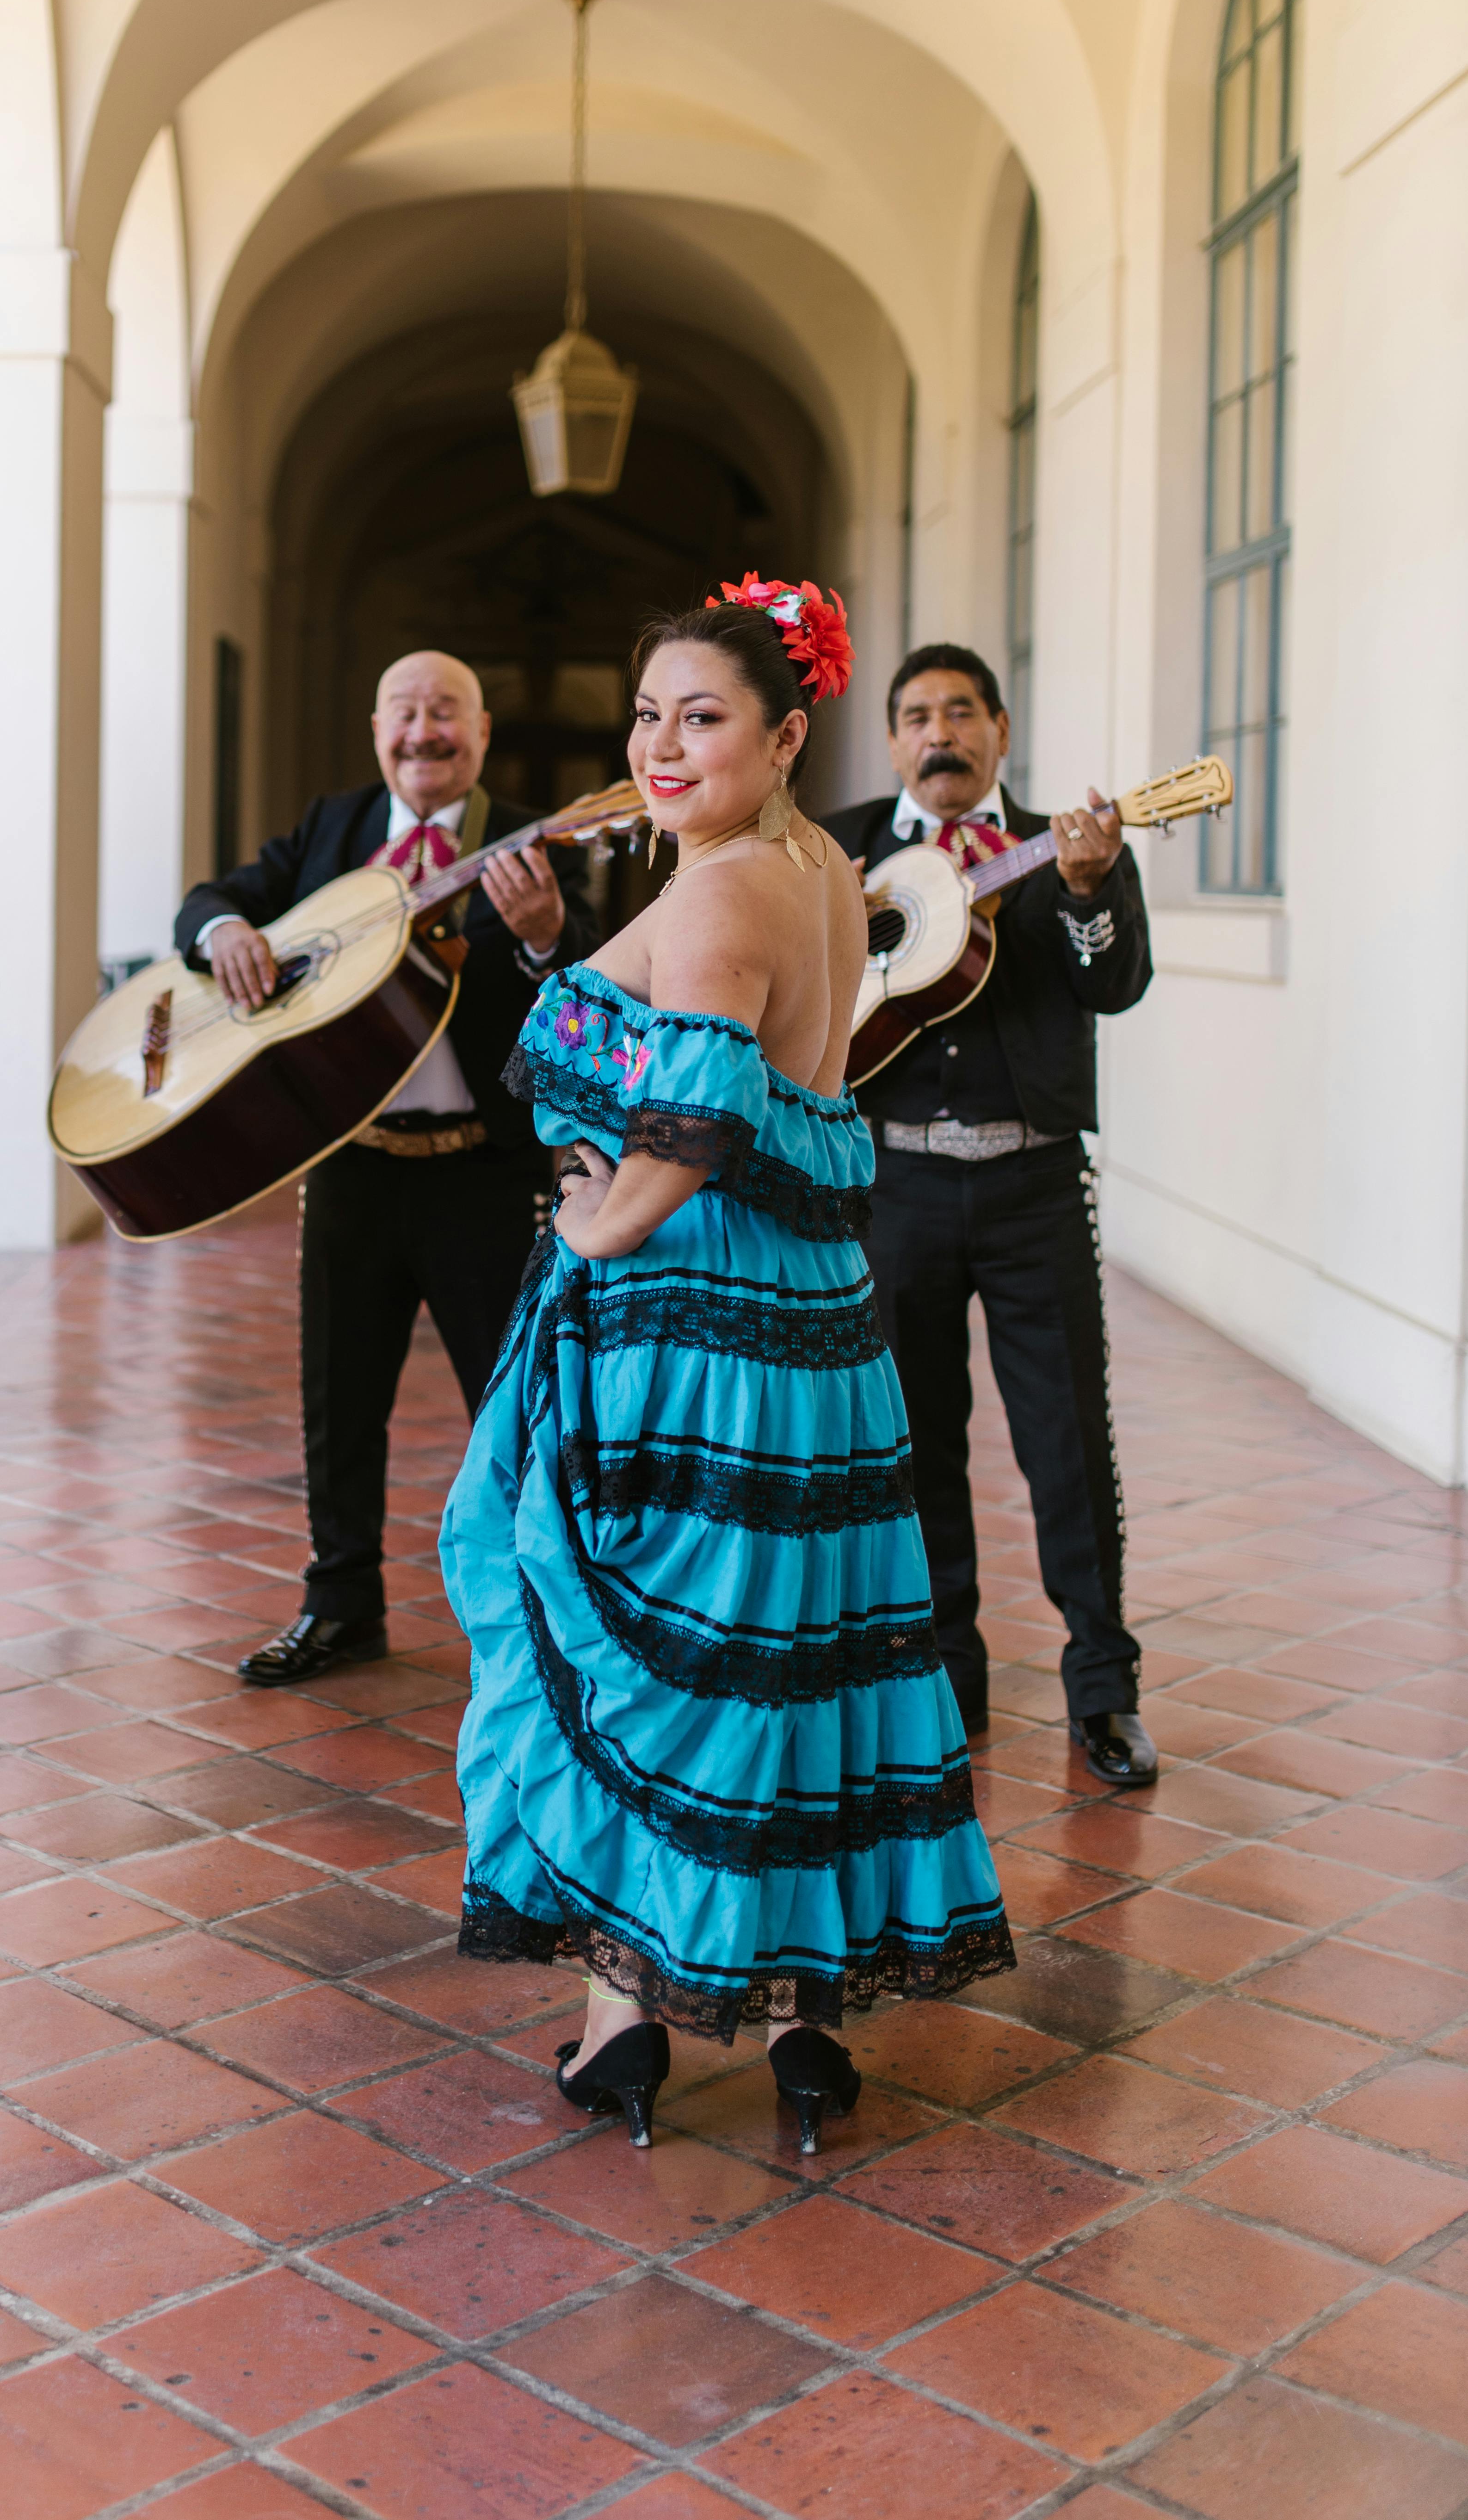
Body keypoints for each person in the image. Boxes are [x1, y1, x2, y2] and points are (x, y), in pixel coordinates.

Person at [441, 580, 1012, 2155]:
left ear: (785, 733)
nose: (664, 744)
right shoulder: (809, 863)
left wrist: (593, 1211)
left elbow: (681, 1135)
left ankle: (627, 2026)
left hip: (699, 1337)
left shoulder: (715, 897)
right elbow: (676, 1030)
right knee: (803, 1659)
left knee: (663, 1666)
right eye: (648, 713)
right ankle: (803, 2030)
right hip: (817, 1331)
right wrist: (563, 955)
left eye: (703, 716)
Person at [175, 650, 598, 1686]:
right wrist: (227, 928)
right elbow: (207, 899)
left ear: (482, 731)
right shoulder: (332, 829)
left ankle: (532, 1610)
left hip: (481, 1176)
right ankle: (341, 1603)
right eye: (404, 712)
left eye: (444, 712)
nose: (423, 732)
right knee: (339, 1396)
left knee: (510, 1403)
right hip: (354, 1166)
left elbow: (592, 985)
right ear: (377, 729)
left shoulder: (534, 844)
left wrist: (547, 938)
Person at [824, 644, 1155, 1786]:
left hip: (1032, 1183)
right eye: (916, 715)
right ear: (892, 737)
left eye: (960, 711)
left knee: (1067, 1438)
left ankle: (1103, 1689)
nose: (939, 733)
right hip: (895, 1184)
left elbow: (1114, 983)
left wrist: (1079, 892)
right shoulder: (842, 851)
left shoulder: (1074, 840)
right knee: (915, 1442)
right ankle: (946, 1677)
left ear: (1001, 730)